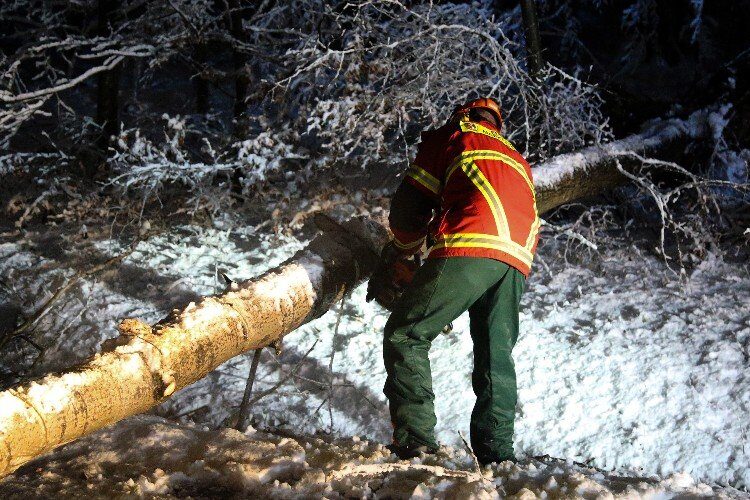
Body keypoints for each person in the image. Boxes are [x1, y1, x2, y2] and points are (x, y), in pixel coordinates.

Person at [367, 97, 540, 465]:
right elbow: (480, 197)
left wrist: (403, 248)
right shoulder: (514, 155)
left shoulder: (455, 135)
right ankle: (498, 457)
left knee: (406, 333)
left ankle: (415, 443)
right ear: (497, 123)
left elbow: (410, 206)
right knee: (495, 354)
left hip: (471, 241)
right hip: (517, 255)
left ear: (463, 113)